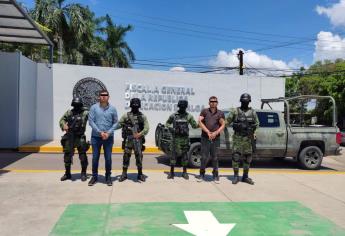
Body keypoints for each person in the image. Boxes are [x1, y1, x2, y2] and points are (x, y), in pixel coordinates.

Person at [225, 93, 259, 185]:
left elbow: (257, 124)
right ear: (241, 101)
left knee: (248, 158)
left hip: (248, 138)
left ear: (249, 101)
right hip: (238, 138)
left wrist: (254, 132)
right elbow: (226, 122)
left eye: (247, 101)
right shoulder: (235, 111)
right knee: (236, 157)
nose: (245, 103)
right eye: (243, 101)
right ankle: (236, 176)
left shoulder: (253, 112)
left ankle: (245, 176)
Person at [88, 90, 118, 186]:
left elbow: (116, 122)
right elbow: (91, 121)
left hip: (108, 138)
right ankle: (94, 176)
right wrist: (100, 132)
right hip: (96, 137)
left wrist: (108, 133)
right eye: (102, 95)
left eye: (106, 95)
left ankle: (108, 177)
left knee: (108, 158)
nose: (104, 97)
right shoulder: (93, 108)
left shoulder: (113, 109)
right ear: (99, 97)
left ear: (108, 97)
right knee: (95, 158)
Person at [117, 98, 149, 182]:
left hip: (138, 140)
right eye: (134, 106)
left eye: (137, 106)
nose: (135, 107)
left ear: (139, 106)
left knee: (139, 156)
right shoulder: (126, 115)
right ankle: (124, 174)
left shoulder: (142, 116)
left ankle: (140, 174)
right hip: (128, 140)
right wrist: (111, 128)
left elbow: (147, 128)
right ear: (131, 106)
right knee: (126, 156)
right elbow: (119, 124)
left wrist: (140, 134)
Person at [165, 100, 198, 179]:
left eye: (184, 107)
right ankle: (171, 172)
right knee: (173, 156)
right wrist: (170, 128)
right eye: (181, 106)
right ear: (179, 106)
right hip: (175, 139)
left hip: (185, 139)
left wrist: (201, 123)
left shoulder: (189, 116)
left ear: (186, 107)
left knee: (185, 156)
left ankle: (184, 172)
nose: (182, 108)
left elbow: (194, 125)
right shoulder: (173, 115)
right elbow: (167, 123)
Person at [59, 97, 90, 181]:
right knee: (67, 156)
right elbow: (61, 120)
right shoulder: (69, 112)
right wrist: (63, 125)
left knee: (83, 156)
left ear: (81, 105)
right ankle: (67, 173)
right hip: (70, 136)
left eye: (78, 105)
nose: (76, 106)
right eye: (75, 105)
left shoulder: (85, 113)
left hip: (80, 137)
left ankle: (83, 173)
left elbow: (93, 119)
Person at [197, 96, 225, 181]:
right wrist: (208, 132)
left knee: (215, 157)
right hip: (205, 137)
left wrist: (216, 132)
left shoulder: (220, 113)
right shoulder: (204, 111)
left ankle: (215, 174)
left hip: (216, 138)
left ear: (217, 103)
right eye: (211, 101)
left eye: (215, 101)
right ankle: (202, 174)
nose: (213, 102)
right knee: (204, 157)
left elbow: (223, 124)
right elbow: (200, 121)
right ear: (209, 103)